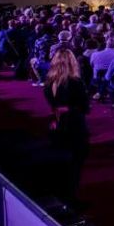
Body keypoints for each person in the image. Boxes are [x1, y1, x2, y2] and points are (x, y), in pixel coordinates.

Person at [43, 48, 91, 200]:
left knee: (60, 162)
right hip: (74, 125)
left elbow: (53, 103)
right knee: (75, 164)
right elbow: (85, 107)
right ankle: (70, 198)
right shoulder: (75, 82)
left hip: (56, 124)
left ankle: (61, 195)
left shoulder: (49, 83)